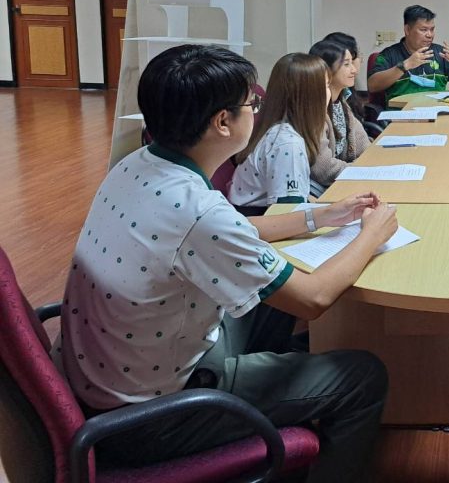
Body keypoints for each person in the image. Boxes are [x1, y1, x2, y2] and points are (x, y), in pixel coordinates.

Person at [51, 44, 399, 482]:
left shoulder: (136, 166)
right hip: (153, 419)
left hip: (110, 376)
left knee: (274, 291)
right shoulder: (197, 211)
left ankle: (278, 395)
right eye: (251, 104)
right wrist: (371, 235)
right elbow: (314, 299)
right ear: (222, 122)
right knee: (363, 376)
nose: (257, 111)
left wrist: (321, 216)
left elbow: (233, 229)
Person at [229, 52, 330, 207]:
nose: (329, 92)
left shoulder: (281, 130)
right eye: (327, 85)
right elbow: (288, 210)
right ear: (311, 95)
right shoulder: (288, 144)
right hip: (261, 217)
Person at [367, 4, 449, 102]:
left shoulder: (440, 52)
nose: (429, 35)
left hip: (435, 109)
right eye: (423, 30)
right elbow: (372, 86)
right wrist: (405, 66)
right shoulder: (389, 54)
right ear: (407, 30)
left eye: (432, 29)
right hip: (402, 111)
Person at [308, 39, 370, 196]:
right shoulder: (313, 112)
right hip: (324, 191)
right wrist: (362, 170)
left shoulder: (341, 101)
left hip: (343, 181)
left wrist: (373, 163)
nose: (354, 70)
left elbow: (363, 146)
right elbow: (324, 170)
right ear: (326, 71)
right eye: (346, 64)